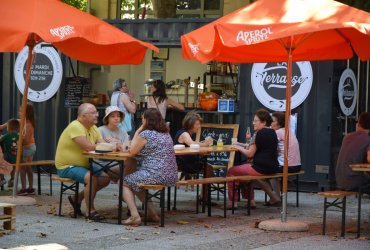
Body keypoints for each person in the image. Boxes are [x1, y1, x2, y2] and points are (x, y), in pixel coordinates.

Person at [122, 108, 178, 226]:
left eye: (143, 118)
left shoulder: (146, 134)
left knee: (125, 182)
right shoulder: (166, 133)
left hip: (155, 174)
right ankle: (152, 214)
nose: (141, 120)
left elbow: (132, 151)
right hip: (171, 175)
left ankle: (134, 215)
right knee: (137, 184)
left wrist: (138, 130)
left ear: (147, 120)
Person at [55, 103, 110, 221]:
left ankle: (76, 199)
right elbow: (88, 147)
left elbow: (102, 143)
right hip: (67, 167)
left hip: (84, 165)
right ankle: (90, 211)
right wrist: (110, 146)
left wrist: (112, 145)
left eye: (96, 112)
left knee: (105, 178)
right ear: (83, 116)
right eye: (93, 113)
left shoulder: (93, 127)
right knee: (91, 178)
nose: (97, 115)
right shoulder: (76, 126)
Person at [228, 108, 281, 208]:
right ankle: (250, 201)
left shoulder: (258, 134)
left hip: (260, 168)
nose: (253, 123)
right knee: (243, 172)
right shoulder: (273, 132)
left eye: (256, 121)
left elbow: (249, 154)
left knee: (231, 171)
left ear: (264, 122)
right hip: (273, 167)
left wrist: (237, 147)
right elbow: (277, 150)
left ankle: (232, 202)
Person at [174, 111, 213, 196]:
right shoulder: (184, 133)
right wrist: (205, 144)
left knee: (209, 168)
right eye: (197, 124)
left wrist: (202, 144)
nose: (199, 126)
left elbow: (193, 143)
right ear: (190, 124)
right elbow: (192, 144)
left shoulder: (186, 133)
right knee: (209, 168)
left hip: (187, 161)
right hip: (183, 163)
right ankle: (204, 197)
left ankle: (204, 195)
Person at [96, 106, 136, 181]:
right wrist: (117, 146)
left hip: (117, 161)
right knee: (129, 167)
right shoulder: (100, 130)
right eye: (112, 116)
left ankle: (124, 186)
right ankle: (124, 186)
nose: (116, 118)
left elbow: (127, 147)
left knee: (132, 161)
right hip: (102, 162)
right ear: (107, 118)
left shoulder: (123, 132)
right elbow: (100, 147)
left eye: (118, 116)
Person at [269, 112, 301, 197]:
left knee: (269, 172)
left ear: (279, 123)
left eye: (272, 121)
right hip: (297, 166)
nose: (270, 123)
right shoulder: (289, 131)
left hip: (287, 166)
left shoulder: (277, 132)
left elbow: (273, 150)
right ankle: (277, 197)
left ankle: (276, 197)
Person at [336, 112, 370, 191]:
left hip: (340, 180)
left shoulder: (347, 137)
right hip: (354, 182)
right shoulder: (368, 139)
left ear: (358, 123)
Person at [18, 103, 37, 195]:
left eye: (21, 111)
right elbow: (15, 120)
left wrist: (18, 138)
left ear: (26, 112)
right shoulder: (28, 122)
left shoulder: (27, 124)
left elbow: (25, 138)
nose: (19, 112)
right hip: (31, 147)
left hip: (27, 148)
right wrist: (4, 126)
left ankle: (24, 189)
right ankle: (30, 188)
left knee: (22, 169)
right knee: (28, 168)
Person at [0, 119, 19, 188]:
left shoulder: (6, 136)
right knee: (13, 167)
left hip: (8, 158)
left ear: (8, 128)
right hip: (17, 158)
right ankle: (12, 179)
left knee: (1, 164)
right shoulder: (19, 136)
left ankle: (2, 179)